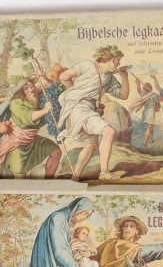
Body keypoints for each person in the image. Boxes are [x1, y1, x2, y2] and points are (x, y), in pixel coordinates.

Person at [56, 45, 131, 180]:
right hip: (78, 107)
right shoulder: (88, 66)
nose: (119, 62)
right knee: (109, 131)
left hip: (89, 109)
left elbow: (123, 95)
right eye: (118, 59)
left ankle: (75, 176)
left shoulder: (109, 78)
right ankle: (104, 172)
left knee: (92, 144)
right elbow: (63, 76)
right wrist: (74, 90)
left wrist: (124, 77)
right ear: (111, 58)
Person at [0, 78, 63, 179]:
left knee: (56, 152)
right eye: (26, 88)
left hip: (31, 140)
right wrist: (44, 111)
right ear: (20, 92)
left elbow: (49, 90)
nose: (31, 90)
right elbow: (28, 116)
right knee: (19, 175)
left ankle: (48, 181)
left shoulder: (36, 98)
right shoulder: (15, 103)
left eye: (31, 86)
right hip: (18, 143)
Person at [129, 80, 162, 147]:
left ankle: (151, 140)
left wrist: (138, 83)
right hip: (150, 111)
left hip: (145, 111)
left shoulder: (144, 94)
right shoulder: (154, 95)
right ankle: (145, 142)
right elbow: (162, 99)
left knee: (150, 126)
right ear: (150, 88)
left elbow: (139, 90)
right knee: (150, 126)